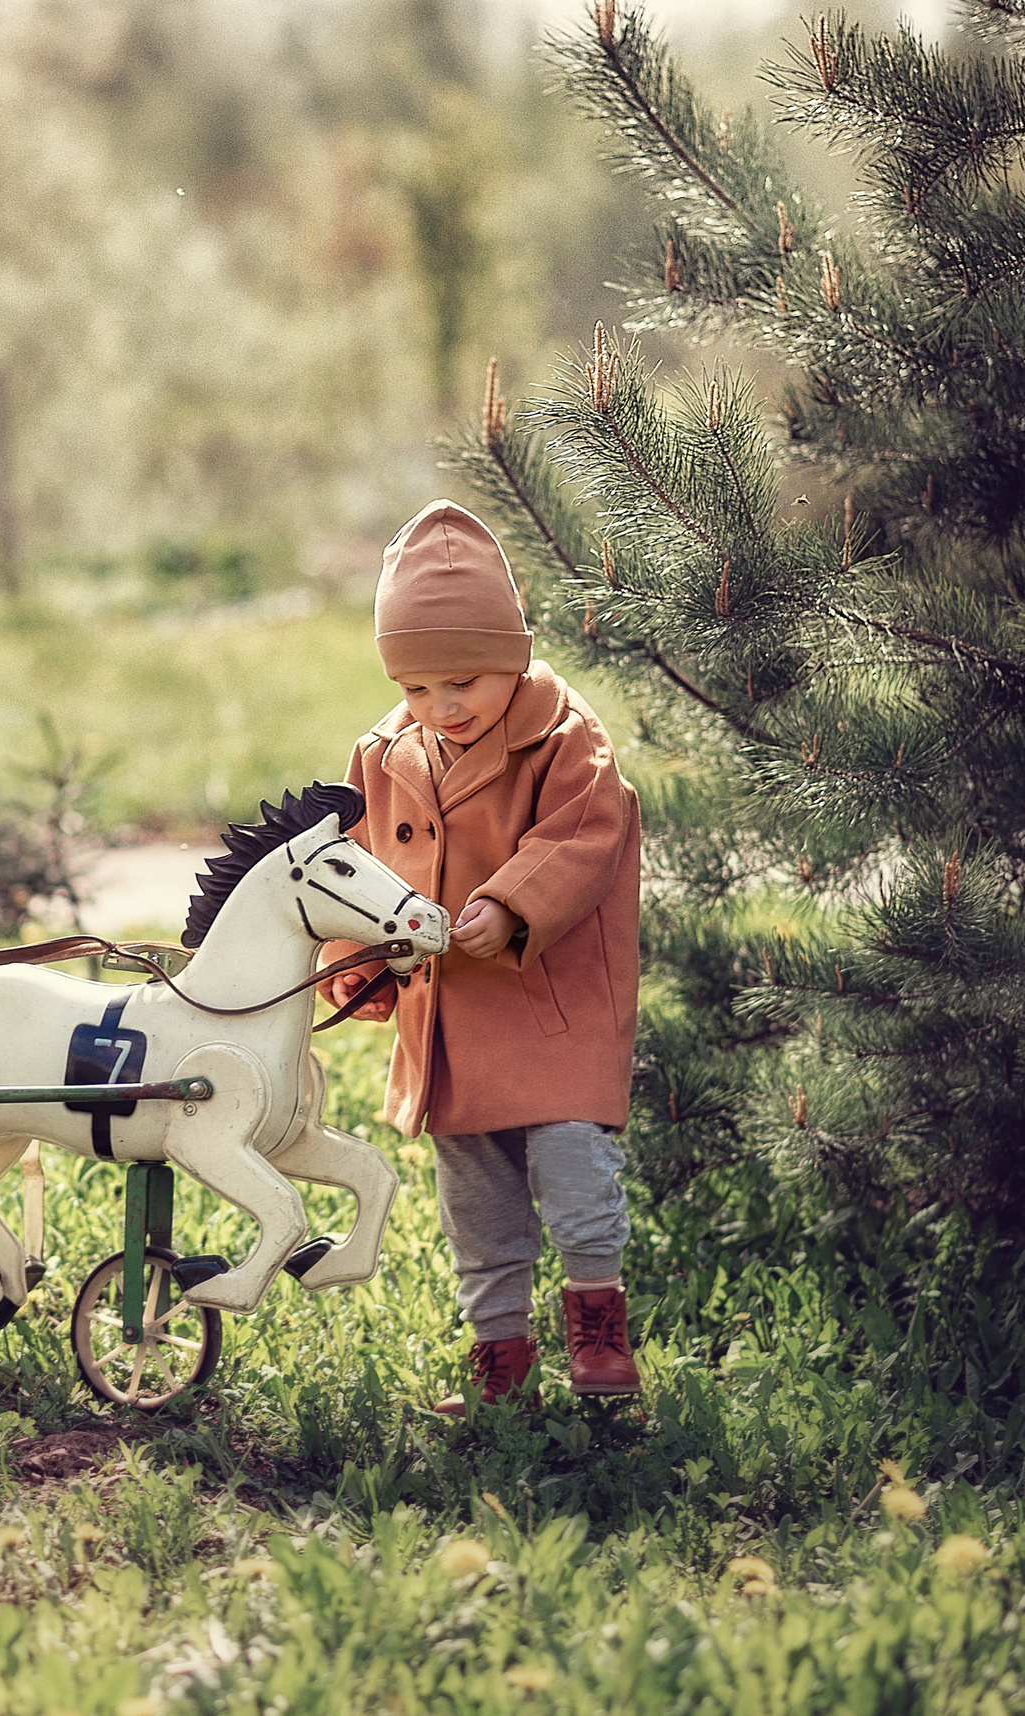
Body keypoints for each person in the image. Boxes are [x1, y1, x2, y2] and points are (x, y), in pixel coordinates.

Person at [321, 499, 643, 1413]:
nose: (442, 706)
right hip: (452, 1017)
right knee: (478, 1201)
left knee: (574, 1168)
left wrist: (508, 903)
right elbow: (360, 863)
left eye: (464, 680)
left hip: (552, 1003)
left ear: (513, 655)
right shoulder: (385, 752)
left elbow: (585, 838)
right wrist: (359, 953)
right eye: (418, 688)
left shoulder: (565, 739)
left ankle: (598, 1325)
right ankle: (500, 1353)